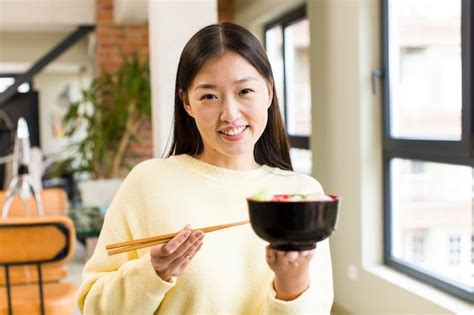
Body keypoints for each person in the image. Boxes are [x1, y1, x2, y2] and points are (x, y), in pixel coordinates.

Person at [77, 22, 333, 314]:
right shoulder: (148, 183)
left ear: (269, 92)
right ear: (187, 102)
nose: (230, 114)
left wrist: (291, 284)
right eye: (209, 96)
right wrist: (152, 275)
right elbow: (93, 307)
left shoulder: (302, 194)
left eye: (245, 91)